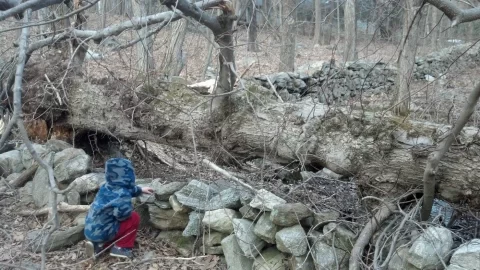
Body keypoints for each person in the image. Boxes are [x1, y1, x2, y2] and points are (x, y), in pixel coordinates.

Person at [84, 158, 154, 259]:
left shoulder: (106, 186)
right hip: (104, 232)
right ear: (128, 175)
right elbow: (123, 216)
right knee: (134, 217)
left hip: (90, 229)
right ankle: (121, 248)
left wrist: (140, 190)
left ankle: (98, 246)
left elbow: (124, 190)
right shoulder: (123, 195)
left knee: (107, 223)